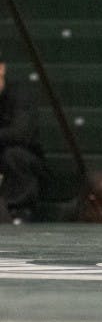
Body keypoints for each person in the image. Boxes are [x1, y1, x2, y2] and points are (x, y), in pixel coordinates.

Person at [0, 60, 48, 223]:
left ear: (2, 68)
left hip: (23, 158)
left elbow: (21, 133)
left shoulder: (20, 94)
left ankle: (17, 211)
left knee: (14, 156)